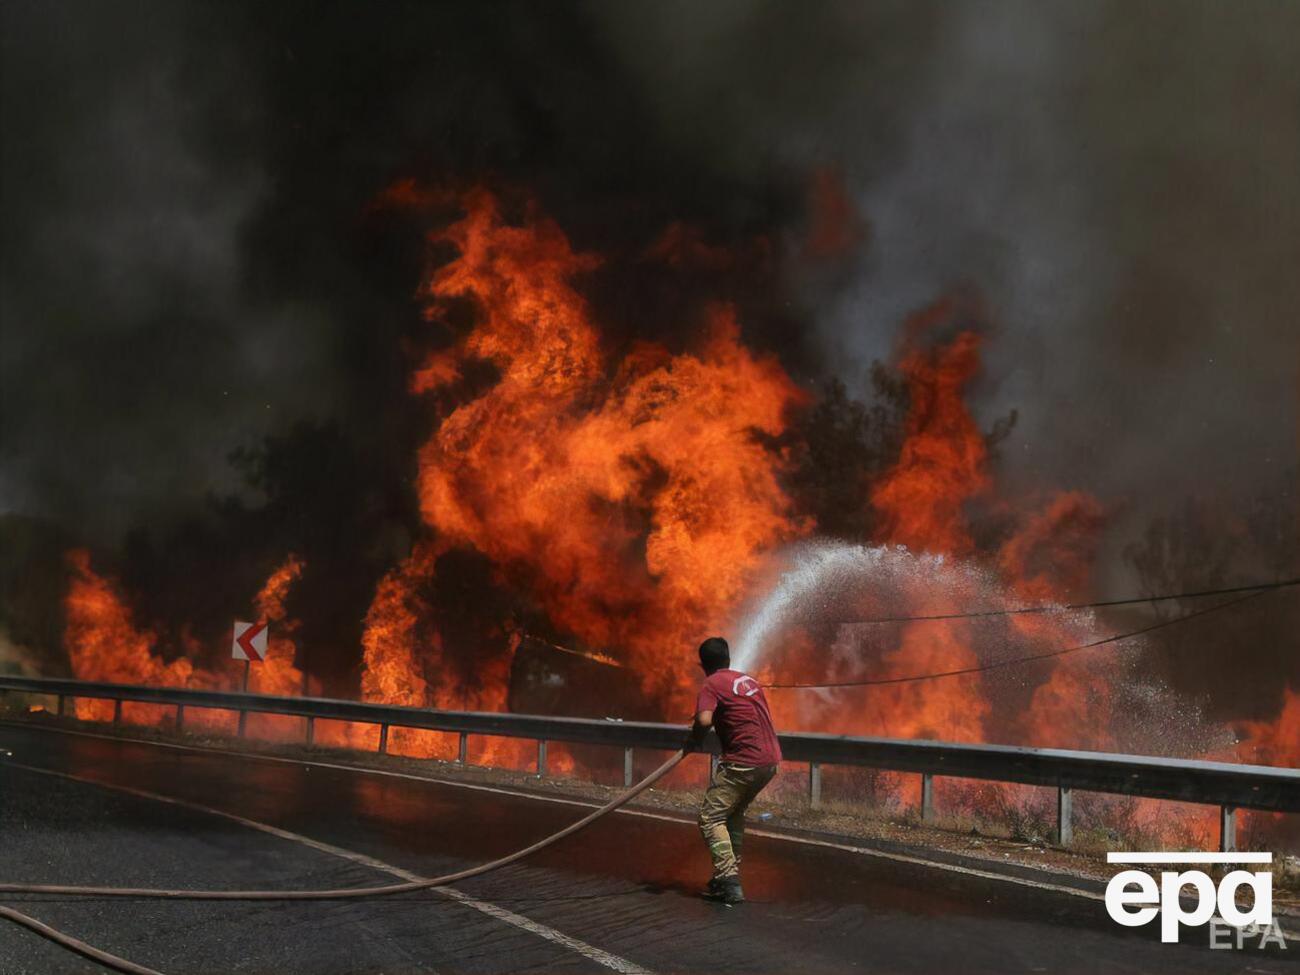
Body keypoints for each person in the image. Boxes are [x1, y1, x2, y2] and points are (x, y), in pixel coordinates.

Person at [683, 636, 781, 905]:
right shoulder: (747, 681)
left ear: (702, 664)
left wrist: (695, 738)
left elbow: (704, 720)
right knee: (733, 813)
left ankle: (727, 880)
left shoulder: (711, 683)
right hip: (770, 760)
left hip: (743, 761)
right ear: (728, 659)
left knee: (711, 818)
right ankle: (727, 874)